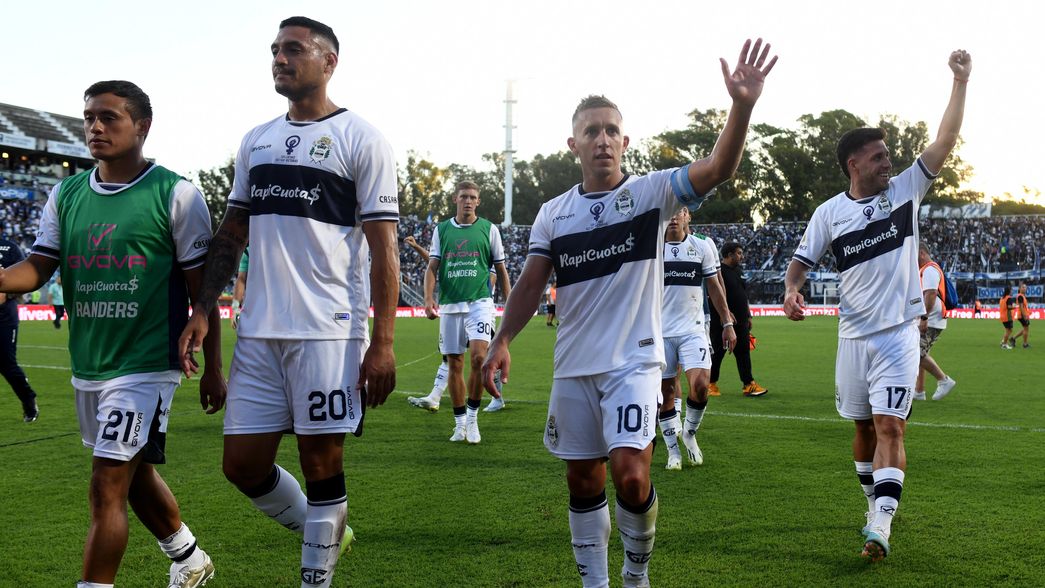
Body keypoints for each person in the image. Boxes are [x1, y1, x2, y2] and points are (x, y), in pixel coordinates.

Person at [482, 39, 776, 587]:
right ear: (573, 143)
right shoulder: (554, 214)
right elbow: (529, 284)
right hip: (573, 366)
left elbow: (718, 167)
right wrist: (503, 339)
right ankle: (595, 582)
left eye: (610, 130)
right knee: (581, 480)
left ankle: (636, 574)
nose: (602, 140)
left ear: (625, 141)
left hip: (634, 363)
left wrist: (742, 106)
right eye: (591, 131)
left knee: (631, 476)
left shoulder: (650, 195)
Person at [177, 17, 399, 588]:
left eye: (293, 50)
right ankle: (329, 531)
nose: (279, 58)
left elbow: (384, 248)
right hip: (258, 332)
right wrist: (204, 309)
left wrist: (383, 343)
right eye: (275, 50)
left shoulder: (362, 139)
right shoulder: (256, 139)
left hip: (327, 330)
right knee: (241, 465)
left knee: (321, 463)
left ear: (328, 62)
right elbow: (231, 234)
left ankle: (315, 578)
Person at [0, 80, 224, 587]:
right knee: (134, 472)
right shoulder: (67, 192)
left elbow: (203, 296)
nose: (95, 127)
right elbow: (38, 267)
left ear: (142, 126)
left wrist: (214, 370)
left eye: (109, 118)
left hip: (147, 362)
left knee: (107, 483)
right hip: (90, 361)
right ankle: (189, 559)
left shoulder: (177, 194)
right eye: (88, 118)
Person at [783, 49, 971, 562]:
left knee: (891, 425)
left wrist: (960, 81)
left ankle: (881, 527)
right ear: (854, 164)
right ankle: (874, 505)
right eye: (879, 156)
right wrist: (791, 289)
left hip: (898, 333)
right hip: (852, 337)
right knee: (863, 427)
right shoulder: (828, 214)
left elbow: (945, 140)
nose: (889, 161)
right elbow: (800, 264)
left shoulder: (907, 190)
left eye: (889, 155)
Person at [422, 180, 511, 442]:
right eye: (464, 197)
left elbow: (502, 270)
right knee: (454, 365)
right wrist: (428, 299)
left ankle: (473, 420)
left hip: (479, 304)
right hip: (450, 305)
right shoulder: (442, 230)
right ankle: (459, 423)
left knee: (478, 358)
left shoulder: (489, 229)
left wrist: (510, 304)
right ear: (455, 199)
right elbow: (432, 268)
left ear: (478, 201)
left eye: (473, 197)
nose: (468, 201)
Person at [657, 208, 736, 470]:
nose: (673, 217)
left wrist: (727, 322)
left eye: (678, 212)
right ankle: (672, 453)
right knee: (666, 392)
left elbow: (714, 285)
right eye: (667, 212)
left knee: (701, 385)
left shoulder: (702, 246)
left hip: (693, 330)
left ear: (687, 216)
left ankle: (689, 433)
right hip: (659, 332)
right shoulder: (652, 247)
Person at [405, 234, 504, 412]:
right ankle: (434, 397)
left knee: (486, 357)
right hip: (457, 308)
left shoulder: (487, 260)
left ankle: (498, 398)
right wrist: (417, 247)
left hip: (480, 311)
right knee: (449, 356)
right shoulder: (460, 259)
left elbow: (490, 282)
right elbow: (437, 264)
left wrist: (463, 283)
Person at [710, 242, 767, 397]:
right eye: (739, 253)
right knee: (718, 353)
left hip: (741, 321)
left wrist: (748, 315)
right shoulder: (717, 271)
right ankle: (710, 384)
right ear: (729, 255)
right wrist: (726, 313)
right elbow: (714, 295)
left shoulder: (738, 271)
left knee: (743, 353)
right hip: (722, 322)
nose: (742, 256)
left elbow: (742, 294)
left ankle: (749, 385)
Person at [0, 237, 39, 423]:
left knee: (6, 363)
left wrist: (7, 293)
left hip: (4, 314)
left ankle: (28, 400)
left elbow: (25, 277)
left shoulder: (10, 248)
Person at [915, 243, 956, 400]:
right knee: (922, 352)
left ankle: (943, 380)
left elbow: (931, 294)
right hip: (931, 318)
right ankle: (919, 391)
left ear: (922, 253)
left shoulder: (930, 270)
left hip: (931, 319)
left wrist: (924, 317)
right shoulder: (928, 269)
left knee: (915, 352)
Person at [230, 246, 248, 330]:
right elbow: (241, 279)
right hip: (255, 312)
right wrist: (235, 308)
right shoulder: (248, 252)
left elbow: (241, 279)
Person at [1013, 282, 1031, 348]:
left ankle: (1013, 338)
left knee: (1025, 329)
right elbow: (1021, 307)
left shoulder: (1022, 296)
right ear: (1019, 288)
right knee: (1026, 329)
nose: (1024, 288)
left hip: (1022, 315)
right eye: (1023, 287)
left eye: (1025, 287)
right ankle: (1025, 344)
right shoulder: (1020, 296)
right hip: (1022, 315)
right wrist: (1025, 316)